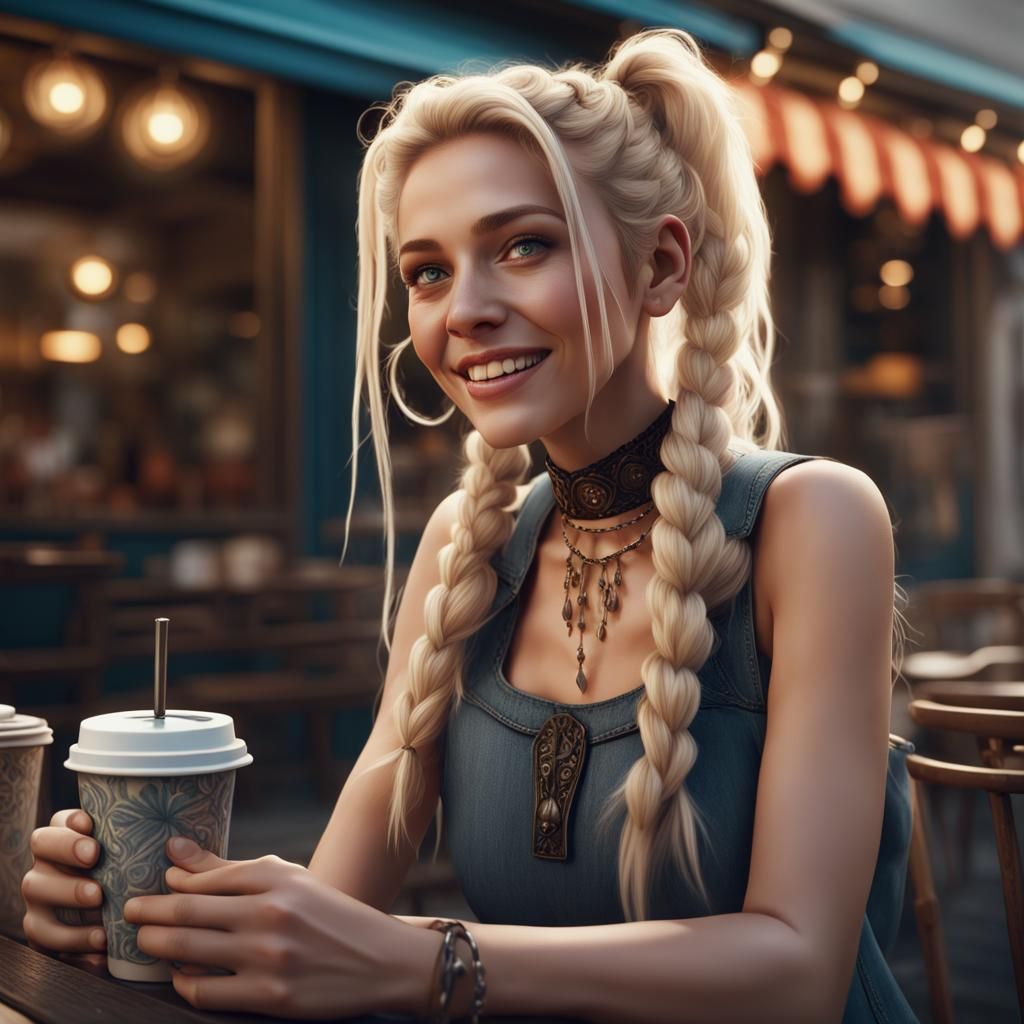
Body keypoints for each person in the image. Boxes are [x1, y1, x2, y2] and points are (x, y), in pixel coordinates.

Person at [21, 29, 918, 1023]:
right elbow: (334, 917)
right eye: (427, 272)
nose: (464, 312)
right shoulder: (466, 544)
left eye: (523, 245)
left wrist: (432, 962)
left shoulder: (812, 519)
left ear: (661, 264)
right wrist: (141, 913)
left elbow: (799, 971)